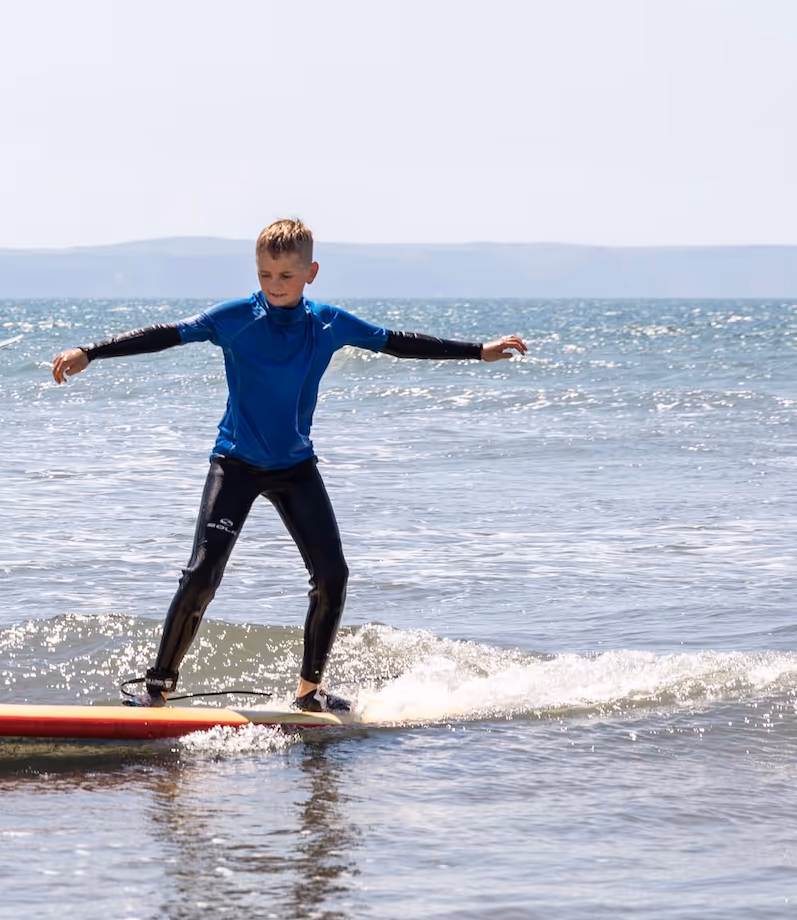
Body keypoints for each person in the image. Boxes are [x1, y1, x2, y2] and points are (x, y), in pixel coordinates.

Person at [51, 218, 527, 713]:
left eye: (286, 276)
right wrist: (90, 353)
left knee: (333, 576)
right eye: (264, 275)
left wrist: (478, 351)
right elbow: (166, 335)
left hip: (295, 467)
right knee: (201, 575)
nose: (274, 286)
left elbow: (399, 342)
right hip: (234, 462)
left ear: (310, 273)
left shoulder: (329, 323)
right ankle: (158, 687)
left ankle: (309, 693)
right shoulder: (234, 318)